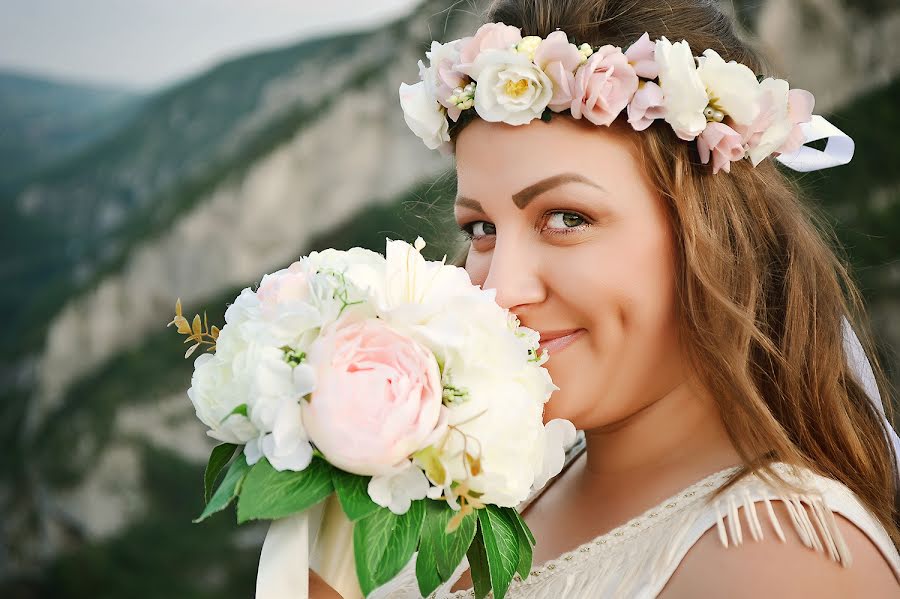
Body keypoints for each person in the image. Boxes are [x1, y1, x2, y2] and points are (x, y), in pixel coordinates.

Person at [315, 0, 900, 596]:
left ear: (713, 238)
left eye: (567, 217)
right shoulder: (514, 475)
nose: (498, 291)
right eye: (481, 230)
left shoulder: (775, 563)